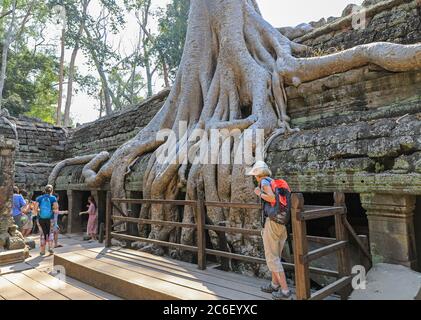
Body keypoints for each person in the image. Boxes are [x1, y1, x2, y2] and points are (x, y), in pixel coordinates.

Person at [247, 161, 291, 300]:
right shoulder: (274, 181)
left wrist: (259, 192)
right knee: (276, 255)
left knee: (272, 257)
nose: (254, 177)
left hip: (272, 223)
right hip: (282, 223)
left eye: (255, 175)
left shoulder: (264, 182)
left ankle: (285, 292)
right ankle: (274, 284)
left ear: (257, 174)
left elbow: (271, 198)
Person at [34, 185, 58, 255]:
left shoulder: (39, 198)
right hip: (50, 218)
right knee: (50, 233)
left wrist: (39, 211)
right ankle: (50, 248)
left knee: (42, 234)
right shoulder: (53, 198)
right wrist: (52, 209)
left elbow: (35, 209)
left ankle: (42, 251)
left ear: (44, 190)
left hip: (40, 218)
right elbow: (56, 209)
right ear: (52, 191)